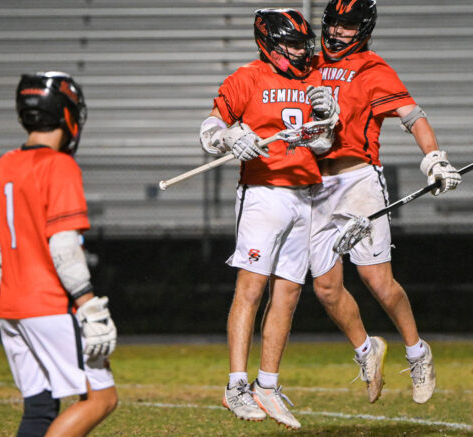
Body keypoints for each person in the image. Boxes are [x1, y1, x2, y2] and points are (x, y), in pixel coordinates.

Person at [308, 0, 462, 404]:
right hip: (311, 181)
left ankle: (417, 352)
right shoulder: (306, 62)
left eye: (349, 25)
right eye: (335, 24)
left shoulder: (374, 68)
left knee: (378, 281)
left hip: (358, 179)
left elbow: (413, 115)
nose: (339, 32)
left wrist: (434, 159)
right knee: (325, 288)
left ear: (364, 29)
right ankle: (366, 349)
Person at [199, 9, 336, 430]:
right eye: (294, 45)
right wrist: (229, 136)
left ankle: (267, 385)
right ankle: (235, 386)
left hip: (305, 193)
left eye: (303, 44)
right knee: (251, 288)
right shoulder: (246, 79)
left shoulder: (312, 78)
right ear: (270, 45)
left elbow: (324, 145)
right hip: (263, 192)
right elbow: (208, 130)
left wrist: (326, 120)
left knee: (289, 294)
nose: (302, 51)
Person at [0, 71, 118, 437]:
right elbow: (63, 246)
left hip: (12, 306)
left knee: (41, 406)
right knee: (101, 398)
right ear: (66, 113)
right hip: (49, 305)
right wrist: (88, 304)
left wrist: (15, 297)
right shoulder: (59, 166)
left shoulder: (4, 166)